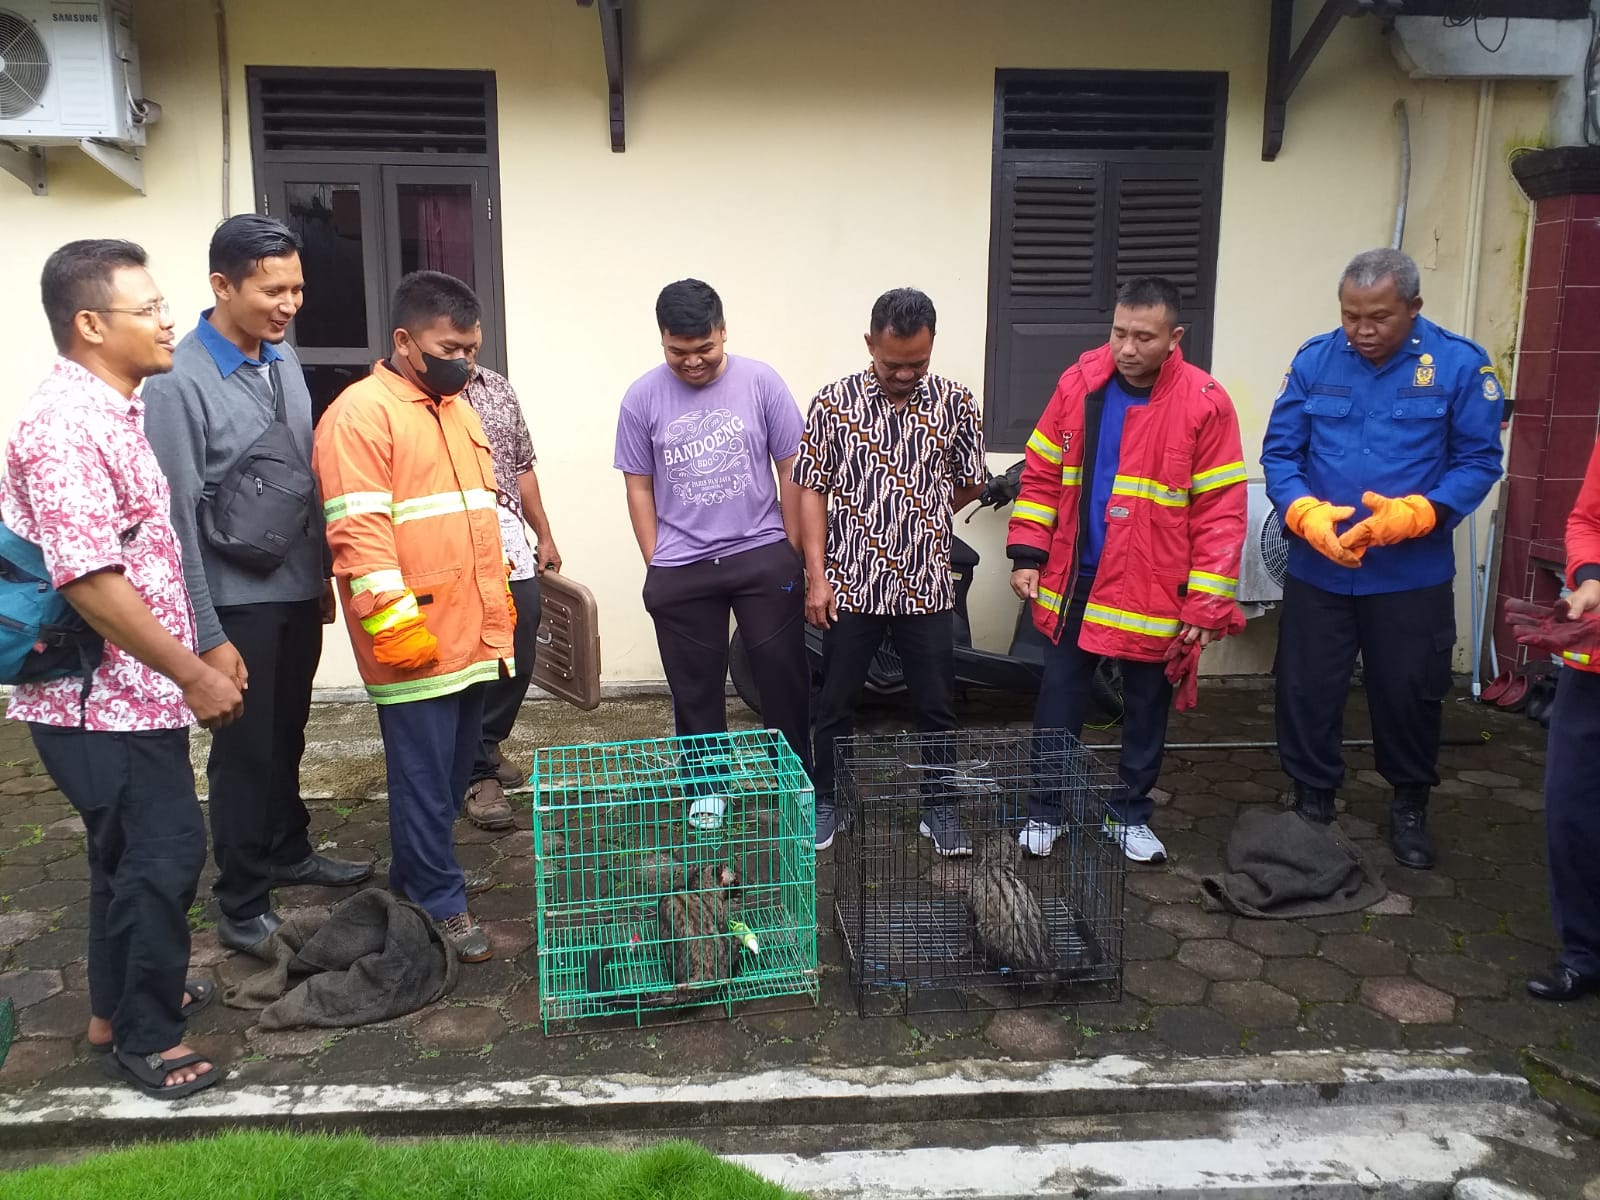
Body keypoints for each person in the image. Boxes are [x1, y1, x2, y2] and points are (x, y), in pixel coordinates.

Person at [3, 239, 244, 1097]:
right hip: (97, 702)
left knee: (125, 859)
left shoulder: (116, 408)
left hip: (132, 697)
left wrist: (203, 642)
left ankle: (114, 1006)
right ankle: (148, 1038)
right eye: (149, 308)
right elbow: (91, 579)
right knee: (163, 856)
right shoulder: (65, 427)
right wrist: (193, 673)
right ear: (91, 324)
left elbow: (142, 551)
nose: (169, 319)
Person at [143, 215, 370, 957]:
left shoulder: (282, 359)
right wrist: (206, 636)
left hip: (295, 588)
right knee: (243, 752)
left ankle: (287, 849)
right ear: (222, 285)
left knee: (287, 733)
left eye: (297, 287)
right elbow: (174, 518)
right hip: (234, 602)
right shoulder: (177, 383)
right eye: (273, 289)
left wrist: (324, 579)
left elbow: (298, 478)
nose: (290, 303)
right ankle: (240, 899)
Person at [1261, 247, 1504, 870]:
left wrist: (1424, 513)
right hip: (1322, 567)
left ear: (1413, 308)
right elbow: (1281, 456)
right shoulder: (1316, 360)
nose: (1363, 331)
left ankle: (1409, 804)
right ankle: (1313, 797)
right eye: (1351, 316)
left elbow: (1478, 462)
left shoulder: (1457, 365)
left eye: (1379, 318)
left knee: (1409, 691)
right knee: (1307, 689)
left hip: (1410, 574)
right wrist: (1303, 513)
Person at [1008, 276, 1247, 865]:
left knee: (1145, 705)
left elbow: (1221, 511)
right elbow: (1040, 474)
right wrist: (1029, 554)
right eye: (1119, 332)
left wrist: (1206, 602)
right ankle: (1046, 810)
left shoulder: (1205, 402)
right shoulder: (1078, 383)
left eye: (1144, 336)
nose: (1127, 348)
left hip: (1156, 585)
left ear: (1175, 337)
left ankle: (1130, 813)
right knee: (1059, 697)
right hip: (1076, 576)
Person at [312, 270, 514, 963]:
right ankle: (438, 902)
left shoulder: (457, 409)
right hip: (415, 635)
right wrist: (397, 629)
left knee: (452, 777)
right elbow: (359, 537)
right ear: (405, 341)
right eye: (450, 346)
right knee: (425, 784)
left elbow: (475, 521)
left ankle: (417, 875)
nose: (465, 360)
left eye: (472, 347)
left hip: (469, 631)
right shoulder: (361, 415)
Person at [794, 288, 987, 855]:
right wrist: (816, 574)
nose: (905, 374)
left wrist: (922, 516)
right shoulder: (833, 404)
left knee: (936, 704)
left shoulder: (956, 402)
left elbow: (971, 480)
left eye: (918, 364)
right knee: (835, 703)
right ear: (869, 345)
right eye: (892, 363)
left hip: (926, 587)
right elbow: (810, 487)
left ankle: (940, 806)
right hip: (850, 584)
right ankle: (828, 797)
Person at [614, 279, 810, 828]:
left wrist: (789, 547)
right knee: (694, 684)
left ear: (723, 332)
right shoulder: (642, 397)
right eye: (679, 352)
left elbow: (792, 465)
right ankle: (708, 786)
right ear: (662, 340)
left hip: (760, 550)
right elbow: (638, 485)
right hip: (682, 564)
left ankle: (797, 780)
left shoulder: (761, 382)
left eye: (705, 349)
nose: (693, 362)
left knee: (782, 674)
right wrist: (657, 559)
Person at [457, 341, 562, 832]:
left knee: (520, 646)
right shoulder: (408, 398)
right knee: (473, 654)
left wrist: (544, 534)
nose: (466, 350)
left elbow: (522, 469)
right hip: (450, 547)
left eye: (472, 339)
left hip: (507, 538)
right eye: (454, 342)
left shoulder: (497, 388)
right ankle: (477, 774)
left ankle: (487, 741)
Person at [1509, 438, 1600, 1001]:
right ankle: (1584, 952)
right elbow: (1587, 518)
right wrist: (1589, 577)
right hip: (1592, 663)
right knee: (1572, 809)